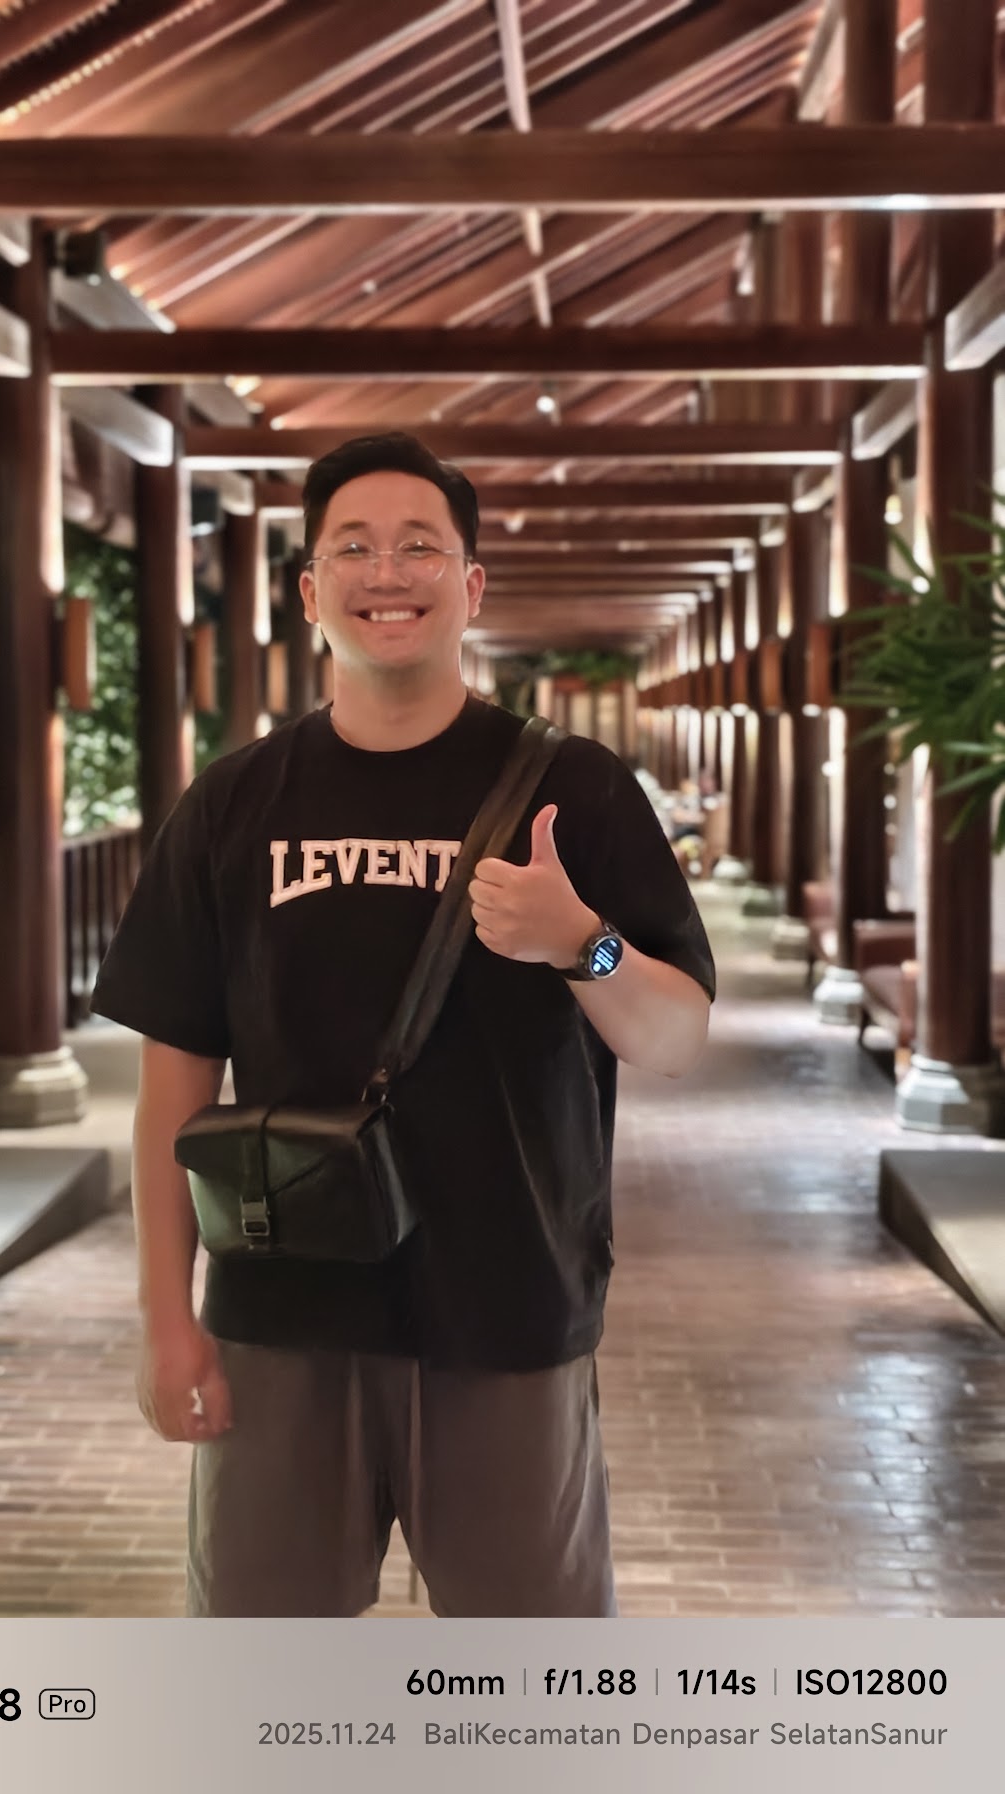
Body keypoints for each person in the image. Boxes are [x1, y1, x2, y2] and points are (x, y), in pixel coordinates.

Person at [90, 431, 716, 1618]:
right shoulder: (232, 805)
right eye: (354, 548)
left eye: (420, 546)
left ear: (470, 587)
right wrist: (167, 1321)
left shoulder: (574, 790)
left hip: (508, 1308)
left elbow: (675, 1038)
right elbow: (173, 1087)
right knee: (261, 1682)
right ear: (308, 591)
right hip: (280, 1312)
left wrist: (577, 939)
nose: (388, 572)